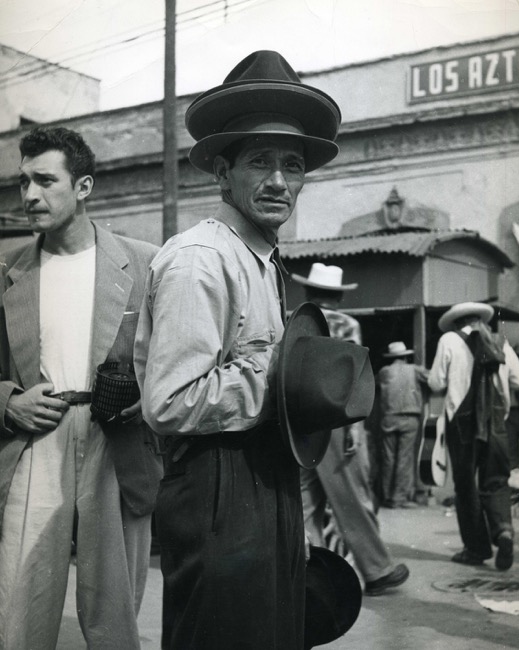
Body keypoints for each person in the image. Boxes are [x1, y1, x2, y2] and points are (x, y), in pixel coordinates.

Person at [134, 50, 342, 650]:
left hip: (266, 474)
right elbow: (169, 403)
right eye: (259, 162)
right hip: (218, 485)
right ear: (223, 173)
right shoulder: (202, 259)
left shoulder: (263, 259)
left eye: (293, 165)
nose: (279, 181)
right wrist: (285, 377)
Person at [0, 126, 163, 649]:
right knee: (20, 600)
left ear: (85, 187)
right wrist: (8, 401)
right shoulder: (9, 271)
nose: (29, 195)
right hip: (35, 441)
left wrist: (149, 393)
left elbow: (178, 352)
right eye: (23, 182)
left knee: (116, 612)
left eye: (45, 180)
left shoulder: (145, 262)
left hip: (117, 440)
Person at [292, 262, 410, 596]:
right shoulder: (346, 323)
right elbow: (354, 377)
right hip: (334, 420)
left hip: (299, 421)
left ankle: (307, 569)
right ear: (338, 296)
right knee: (351, 496)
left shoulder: (296, 319)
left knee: (305, 499)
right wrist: (355, 428)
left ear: (309, 291)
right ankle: (377, 570)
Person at [428, 301, 519, 570]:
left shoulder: (449, 339)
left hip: (462, 424)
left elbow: (436, 382)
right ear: (481, 320)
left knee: (465, 486)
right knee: (496, 482)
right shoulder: (499, 341)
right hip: (496, 423)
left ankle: (476, 548)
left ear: (457, 322)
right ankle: (503, 530)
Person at [378, 341, 429, 509]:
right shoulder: (415, 370)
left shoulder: (384, 372)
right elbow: (434, 380)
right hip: (409, 417)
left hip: (389, 417)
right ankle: (399, 497)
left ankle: (386, 495)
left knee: (388, 458)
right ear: (406, 357)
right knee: (404, 458)